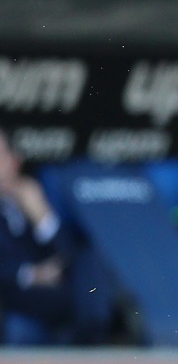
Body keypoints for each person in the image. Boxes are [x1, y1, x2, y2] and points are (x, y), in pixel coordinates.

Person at [0, 130, 116, 345]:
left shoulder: (27, 198)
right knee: (74, 304)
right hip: (13, 296)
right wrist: (33, 274)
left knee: (88, 260)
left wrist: (43, 216)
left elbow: (65, 252)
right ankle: (89, 330)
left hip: (51, 293)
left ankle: (92, 329)